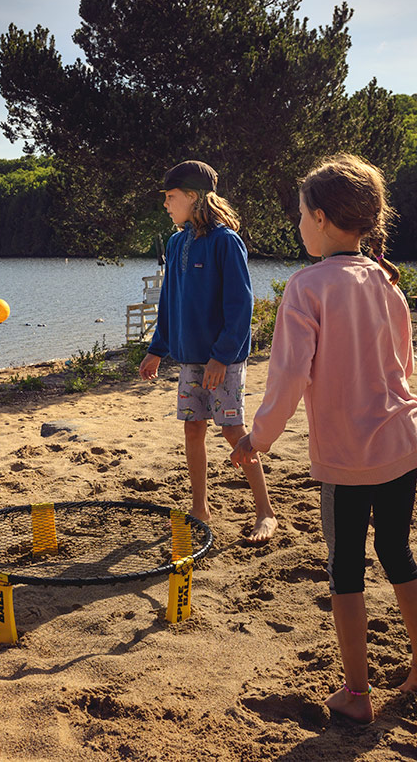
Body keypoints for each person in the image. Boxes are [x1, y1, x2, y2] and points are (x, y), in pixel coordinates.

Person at [231, 153, 417, 722]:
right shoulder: (385, 281)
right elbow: (404, 366)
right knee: (397, 553)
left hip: (350, 455)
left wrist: (258, 438)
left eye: (301, 215)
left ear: (321, 218)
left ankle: (357, 695)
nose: (298, 225)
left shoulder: (306, 288)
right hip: (403, 440)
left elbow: (288, 377)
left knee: (346, 568)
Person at [138, 160, 278, 544]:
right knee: (192, 428)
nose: (166, 204)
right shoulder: (176, 242)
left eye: (171, 197)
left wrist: (222, 355)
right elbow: (169, 303)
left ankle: (265, 510)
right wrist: (156, 350)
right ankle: (200, 508)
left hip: (223, 361)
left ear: (193, 197)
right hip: (189, 360)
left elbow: (241, 304)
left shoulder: (225, 240)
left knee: (233, 430)